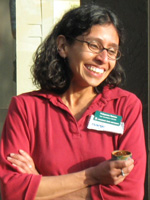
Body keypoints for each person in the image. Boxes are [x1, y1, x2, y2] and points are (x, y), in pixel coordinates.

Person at [0, 4, 146, 200]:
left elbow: (129, 194)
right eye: (94, 45)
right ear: (63, 46)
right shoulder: (26, 107)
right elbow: (12, 191)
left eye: (112, 51)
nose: (103, 58)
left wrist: (40, 185)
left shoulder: (125, 106)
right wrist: (93, 175)